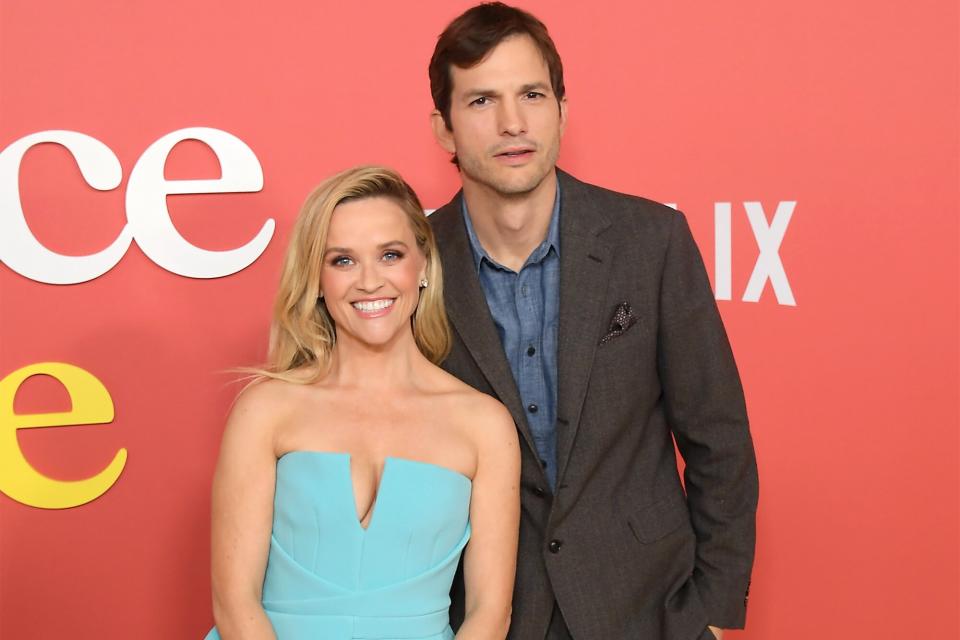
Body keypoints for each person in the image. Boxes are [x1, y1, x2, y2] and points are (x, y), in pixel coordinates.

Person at [425, 4, 759, 640]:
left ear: (562, 110)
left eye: (531, 94)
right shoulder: (411, 263)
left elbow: (719, 437)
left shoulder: (650, 241)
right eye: (481, 101)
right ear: (443, 128)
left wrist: (714, 611)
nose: (512, 122)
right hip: (485, 617)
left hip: (650, 607)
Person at [205, 166, 520, 640]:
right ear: (315, 278)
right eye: (343, 261)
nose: (369, 281)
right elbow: (234, 604)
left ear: (423, 267)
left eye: (390, 255)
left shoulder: (484, 425)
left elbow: (489, 616)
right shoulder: (266, 411)